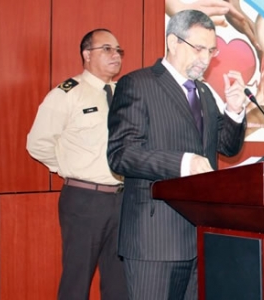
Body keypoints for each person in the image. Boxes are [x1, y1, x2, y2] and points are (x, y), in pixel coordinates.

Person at [106, 10, 247, 300]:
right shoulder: (138, 84)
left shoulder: (205, 94)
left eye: (211, 50)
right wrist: (183, 162)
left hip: (198, 236)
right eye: (198, 49)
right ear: (172, 42)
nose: (206, 59)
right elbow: (121, 154)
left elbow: (227, 147)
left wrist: (234, 111)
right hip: (154, 239)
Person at [26, 29, 128, 300]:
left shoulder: (123, 95)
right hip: (84, 199)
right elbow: (37, 143)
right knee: (77, 280)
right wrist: (72, 169)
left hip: (122, 200)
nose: (115, 55)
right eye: (107, 49)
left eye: (118, 50)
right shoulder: (67, 93)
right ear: (86, 54)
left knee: (120, 283)